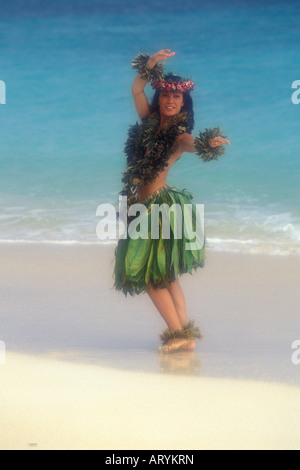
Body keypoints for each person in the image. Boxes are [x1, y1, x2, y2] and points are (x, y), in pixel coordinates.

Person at [113, 49, 231, 353]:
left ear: (183, 104)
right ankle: (185, 335)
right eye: (165, 95)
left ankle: (177, 333)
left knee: (152, 278)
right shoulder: (148, 122)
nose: (169, 100)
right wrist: (150, 65)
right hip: (139, 206)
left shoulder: (179, 135)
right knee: (165, 276)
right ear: (160, 98)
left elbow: (191, 143)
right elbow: (137, 88)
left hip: (160, 209)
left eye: (176, 98)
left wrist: (208, 144)